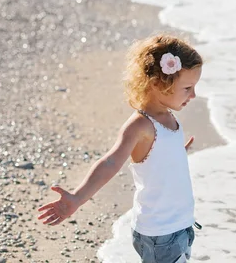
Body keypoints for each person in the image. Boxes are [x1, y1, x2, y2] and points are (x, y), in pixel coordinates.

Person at [37, 34, 203, 263]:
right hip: (161, 233)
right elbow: (110, 162)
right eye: (187, 88)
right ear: (157, 83)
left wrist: (175, 153)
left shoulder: (167, 117)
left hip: (179, 225)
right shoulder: (140, 125)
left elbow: (156, 158)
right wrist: (76, 198)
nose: (193, 95)